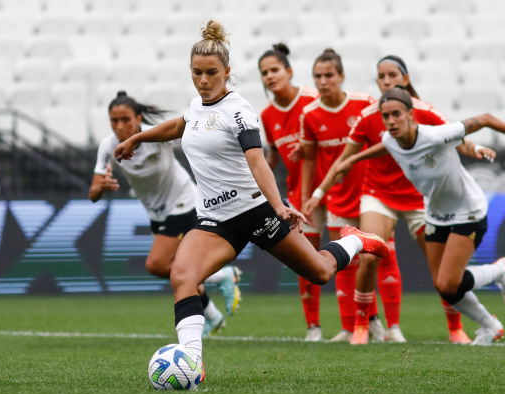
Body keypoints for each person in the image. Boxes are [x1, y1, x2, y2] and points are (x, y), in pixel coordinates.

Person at [113, 20, 390, 373]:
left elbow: (257, 162)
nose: (203, 80)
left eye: (211, 72)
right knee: (183, 276)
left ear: (227, 71)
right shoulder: (196, 106)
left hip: (256, 212)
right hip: (215, 221)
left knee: (320, 271)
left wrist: (279, 207)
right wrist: (138, 138)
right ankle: (192, 362)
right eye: (196, 72)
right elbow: (179, 125)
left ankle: (355, 240)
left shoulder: (239, 111)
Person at [303, 55, 496, 345]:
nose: (387, 80)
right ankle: (361, 326)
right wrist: (317, 194)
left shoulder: (425, 112)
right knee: (368, 255)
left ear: (405, 79)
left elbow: (459, 137)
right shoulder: (369, 115)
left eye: (393, 75)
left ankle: (455, 329)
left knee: (440, 271)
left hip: (420, 198)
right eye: (381, 76)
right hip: (378, 195)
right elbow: (346, 159)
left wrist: (477, 147)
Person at [334, 87, 505, 345]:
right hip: (436, 215)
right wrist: (352, 160)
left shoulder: (436, 135)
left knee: (449, 283)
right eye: (386, 116)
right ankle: (491, 326)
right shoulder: (391, 139)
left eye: (396, 114)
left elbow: (487, 119)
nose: (391, 121)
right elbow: (383, 147)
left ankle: (499, 272)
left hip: (467, 212)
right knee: (443, 285)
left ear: (411, 115)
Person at [89, 91, 242, 338]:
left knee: (158, 264)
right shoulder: (108, 146)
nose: (120, 126)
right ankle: (213, 313)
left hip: (183, 204)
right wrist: (101, 186)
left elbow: (192, 136)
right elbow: (93, 193)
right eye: (114, 121)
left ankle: (221, 277)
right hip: (157, 213)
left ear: (138, 118)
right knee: (177, 270)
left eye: (125, 119)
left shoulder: (156, 137)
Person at [299, 48, 384, 343]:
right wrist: (310, 196)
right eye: (318, 76)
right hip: (336, 194)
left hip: (369, 192)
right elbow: (309, 159)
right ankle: (350, 327)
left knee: (374, 258)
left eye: (329, 75)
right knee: (346, 261)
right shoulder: (309, 114)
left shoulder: (364, 104)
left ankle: (377, 323)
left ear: (341, 76)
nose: (323, 81)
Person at [258, 43, 325, 341]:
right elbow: (271, 159)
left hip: (331, 189)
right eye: (264, 73)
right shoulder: (266, 114)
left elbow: (333, 134)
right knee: (306, 259)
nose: (270, 76)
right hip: (299, 193)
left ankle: (366, 321)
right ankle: (313, 327)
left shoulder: (312, 98)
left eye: (274, 70)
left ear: (288, 71)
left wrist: (311, 144)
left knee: (353, 254)